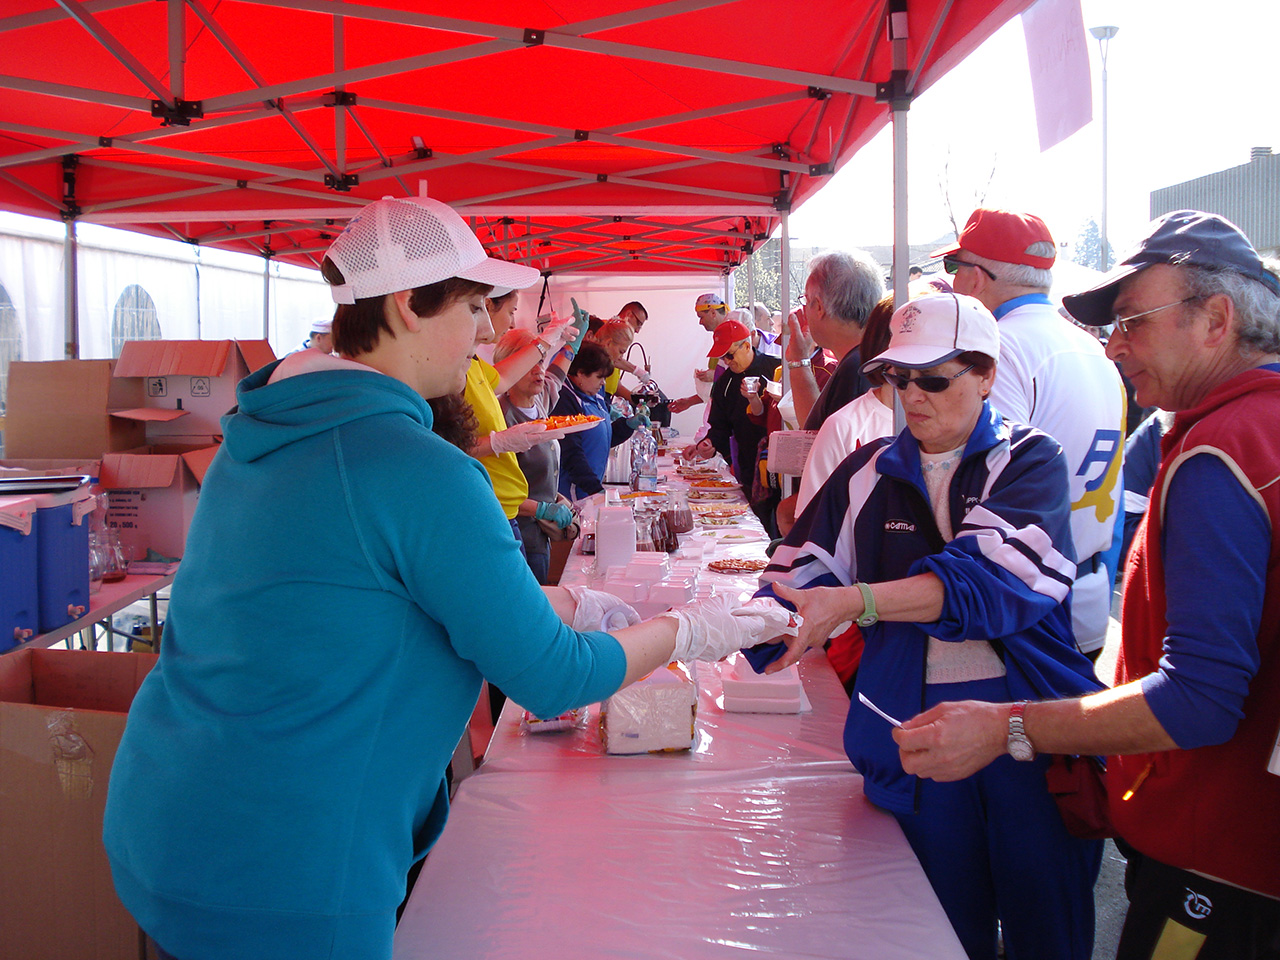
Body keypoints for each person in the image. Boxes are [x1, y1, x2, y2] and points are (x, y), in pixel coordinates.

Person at [101, 195, 796, 960]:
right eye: (472, 307)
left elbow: (360, 599)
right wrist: (687, 631)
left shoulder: (262, 435)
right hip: (288, 871)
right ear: (407, 305)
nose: (489, 333)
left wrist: (559, 599)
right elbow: (555, 678)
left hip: (164, 820)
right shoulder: (415, 466)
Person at [893, 211, 1280, 959]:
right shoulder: (1244, 430)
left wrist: (1007, 727)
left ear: (1216, 320)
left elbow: (1199, 697)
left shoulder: (1221, 451)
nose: (1114, 345)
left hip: (1218, 864)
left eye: (1133, 321)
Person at [753, 292, 1104, 960]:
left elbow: (986, 583)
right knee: (935, 932)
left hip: (1027, 733)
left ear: (987, 376)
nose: (911, 395)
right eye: (898, 376)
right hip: (910, 730)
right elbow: (793, 574)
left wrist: (855, 601)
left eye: (934, 379)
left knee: (1046, 930)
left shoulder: (1030, 460)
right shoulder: (865, 470)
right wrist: (727, 628)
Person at [934, 208, 1125, 663]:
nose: (953, 280)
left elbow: (979, 486)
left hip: (1024, 605)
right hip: (1086, 590)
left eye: (954, 266)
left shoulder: (999, 347)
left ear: (976, 277)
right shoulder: (1093, 347)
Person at [464, 287, 579, 545]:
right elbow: (447, 446)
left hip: (510, 518)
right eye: (511, 311)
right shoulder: (456, 375)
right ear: (485, 306)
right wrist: (497, 442)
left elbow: (509, 377)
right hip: (496, 519)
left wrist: (553, 343)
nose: (513, 322)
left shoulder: (476, 366)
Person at [496, 327, 573, 584]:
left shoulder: (539, 401)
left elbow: (558, 374)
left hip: (541, 536)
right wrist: (541, 508)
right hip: (520, 538)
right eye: (529, 364)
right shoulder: (500, 417)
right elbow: (495, 490)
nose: (539, 370)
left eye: (540, 361)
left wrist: (573, 343)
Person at [783, 250, 885, 430]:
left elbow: (821, 437)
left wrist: (798, 360)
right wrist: (799, 360)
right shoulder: (871, 358)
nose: (804, 309)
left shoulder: (856, 369)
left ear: (819, 307)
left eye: (806, 300)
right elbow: (820, 426)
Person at [551, 341, 642, 500]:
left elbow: (601, 440)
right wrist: (594, 489)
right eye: (599, 377)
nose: (603, 383)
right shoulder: (564, 399)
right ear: (580, 373)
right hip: (574, 491)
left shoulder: (595, 395)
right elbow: (571, 452)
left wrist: (628, 425)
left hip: (590, 487)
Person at [701, 318, 780, 494]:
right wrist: (709, 442)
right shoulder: (724, 382)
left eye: (729, 355)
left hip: (778, 461)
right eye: (722, 357)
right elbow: (719, 426)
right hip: (746, 464)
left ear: (746, 346)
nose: (727, 362)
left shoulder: (776, 368)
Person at [668, 292, 729, 414]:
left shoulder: (733, 336)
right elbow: (717, 387)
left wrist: (716, 375)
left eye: (701, 317)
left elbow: (742, 375)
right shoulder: (719, 338)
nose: (700, 322)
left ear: (713, 313)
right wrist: (690, 401)